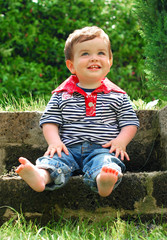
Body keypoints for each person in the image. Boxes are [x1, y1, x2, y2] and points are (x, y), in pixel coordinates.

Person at [16, 26, 139, 197]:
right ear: (71, 65)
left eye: (101, 53)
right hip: (68, 149)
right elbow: (50, 121)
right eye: (85, 54)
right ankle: (40, 176)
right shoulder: (61, 95)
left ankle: (103, 181)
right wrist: (54, 143)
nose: (94, 58)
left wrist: (121, 141)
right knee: (54, 162)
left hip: (102, 149)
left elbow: (130, 122)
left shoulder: (118, 95)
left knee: (106, 164)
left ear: (110, 62)